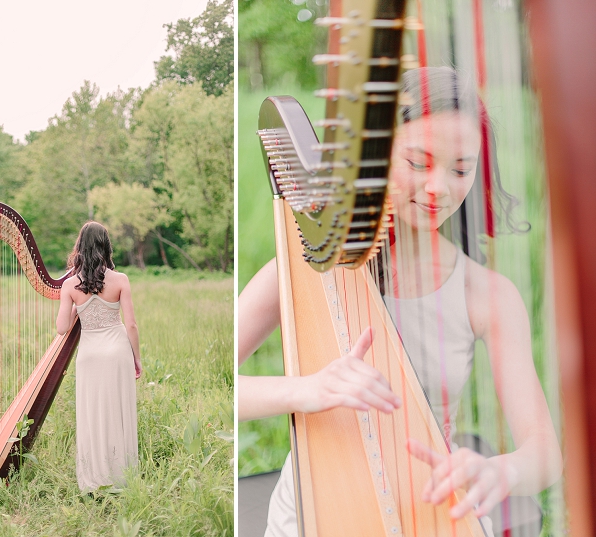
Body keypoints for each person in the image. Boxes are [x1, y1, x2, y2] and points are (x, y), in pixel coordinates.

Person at [239, 67, 562, 536]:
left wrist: (502, 471)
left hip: (431, 512)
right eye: (417, 162)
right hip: (310, 515)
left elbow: (545, 453)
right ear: (373, 159)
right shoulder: (301, 268)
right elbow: (224, 385)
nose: (439, 188)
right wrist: (306, 390)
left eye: (460, 168)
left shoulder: (487, 295)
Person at [56, 221, 143, 492]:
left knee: (93, 413)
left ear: (80, 247)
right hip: (117, 351)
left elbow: (61, 328)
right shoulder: (121, 280)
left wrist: (76, 309)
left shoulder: (70, 285)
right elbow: (131, 325)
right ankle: (122, 476)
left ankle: (96, 478)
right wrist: (136, 358)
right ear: (106, 246)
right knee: (118, 411)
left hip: (90, 355)